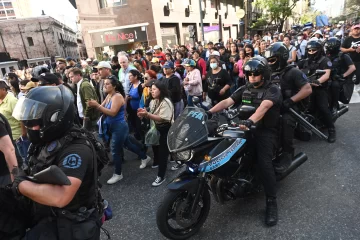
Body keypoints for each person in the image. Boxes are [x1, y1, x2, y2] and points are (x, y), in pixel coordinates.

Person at [10, 85, 103, 239]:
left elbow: (60, 197)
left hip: (71, 227)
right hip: (49, 220)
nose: (31, 125)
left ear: (55, 118)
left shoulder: (76, 149)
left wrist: (20, 185)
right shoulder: (46, 140)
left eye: (37, 118)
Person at [206, 58, 282, 226]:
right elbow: (228, 101)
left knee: (264, 163)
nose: (252, 77)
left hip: (264, 131)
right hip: (243, 128)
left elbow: (264, 107)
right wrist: (208, 112)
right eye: (249, 74)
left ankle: (271, 202)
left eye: (256, 74)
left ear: (264, 74)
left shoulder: (272, 89)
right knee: (222, 147)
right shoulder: (245, 88)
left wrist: (250, 121)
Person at [87, 76, 150, 184]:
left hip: (119, 127)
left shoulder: (117, 96)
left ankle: (118, 174)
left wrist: (97, 105)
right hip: (113, 126)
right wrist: (94, 105)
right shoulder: (109, 95)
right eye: (104, 83)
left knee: (115, 150)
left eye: (107, 84)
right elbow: (102, 109)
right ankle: (144, 157)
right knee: (128, 144)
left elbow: (112, 112)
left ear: (114, 86)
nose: (105, 85)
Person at [264, 42, 312, 172]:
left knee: (285, 121)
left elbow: (307, 89)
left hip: (291, 107)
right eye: (268, 60)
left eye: (272, 60)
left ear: (282, 57)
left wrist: (290, 101)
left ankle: (287, 154)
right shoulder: (268, 73)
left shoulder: (294, 72)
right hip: (274, 105)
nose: (270, 63)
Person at [297, 39, 336, 143]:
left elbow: (326, 74)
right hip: (306, 88)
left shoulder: (325, 60)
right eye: (309, 50)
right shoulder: (305, 61)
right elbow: (295, 69)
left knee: (323, 107)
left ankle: (331, 130)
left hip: (319, 89)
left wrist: (318, 81)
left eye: (313, 50)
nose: (311, 52)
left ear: (319, 50)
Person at [137, 81, 174, 186]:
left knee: (163, 153)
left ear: (161, 90)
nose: (151, 91)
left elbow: (162, 118)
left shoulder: (166, 102)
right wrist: (143, 113)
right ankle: (176, 160)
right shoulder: (154, 101)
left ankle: (161, 176)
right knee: (161, 149)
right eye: (151, 89)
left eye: (154, 89)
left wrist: (147, 114)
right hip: (158, 128)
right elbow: (151, 111)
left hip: (167, 129)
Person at [325, 37, 356, 112]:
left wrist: (342, 75)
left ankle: (335, 104)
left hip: (339, 78)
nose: (329, 48)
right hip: (327, 77)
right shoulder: (326, 55)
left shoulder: (343, 56)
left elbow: (352, 67)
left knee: (334, 85)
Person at [127, 69, 143, 140]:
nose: (129, 78)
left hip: (139, 109)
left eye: (130, 76)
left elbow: (142, 98)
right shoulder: (131, 85)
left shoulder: (140, 86)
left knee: (139, 125)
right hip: (131, 109)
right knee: (133, 124)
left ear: (135, 76)